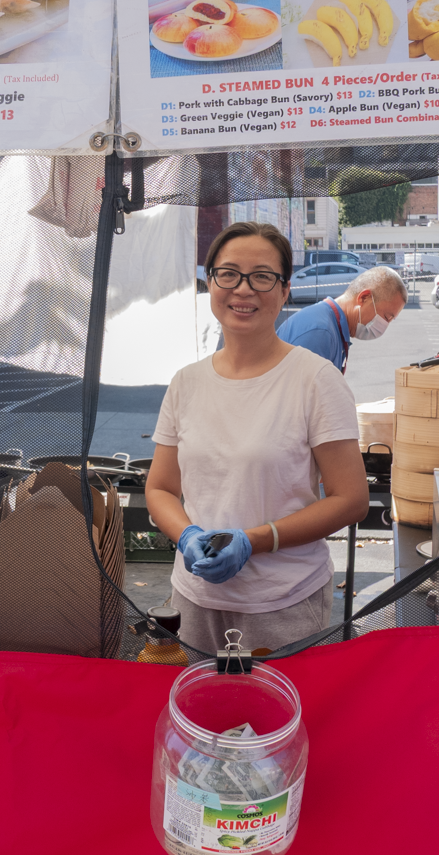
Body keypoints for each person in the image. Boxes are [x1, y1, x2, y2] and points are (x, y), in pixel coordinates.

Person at [145, 222, 369, 654]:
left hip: (282, 603)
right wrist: (187, 534)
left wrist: (254, 540)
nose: (243, 289)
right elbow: (160, 487)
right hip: (194, 598)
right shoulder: (186, 383)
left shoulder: (315, 380)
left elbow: (351, 499)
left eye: (262, 276)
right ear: (210, 284)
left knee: (273, 716)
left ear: (285, 290)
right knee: (203, 714)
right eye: (228, 274)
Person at [276, 267, 408, 373]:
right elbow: (301, 402)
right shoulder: (320, 333)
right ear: (364, 298)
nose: (384, 326)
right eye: (386, 317)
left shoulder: (331, 326)